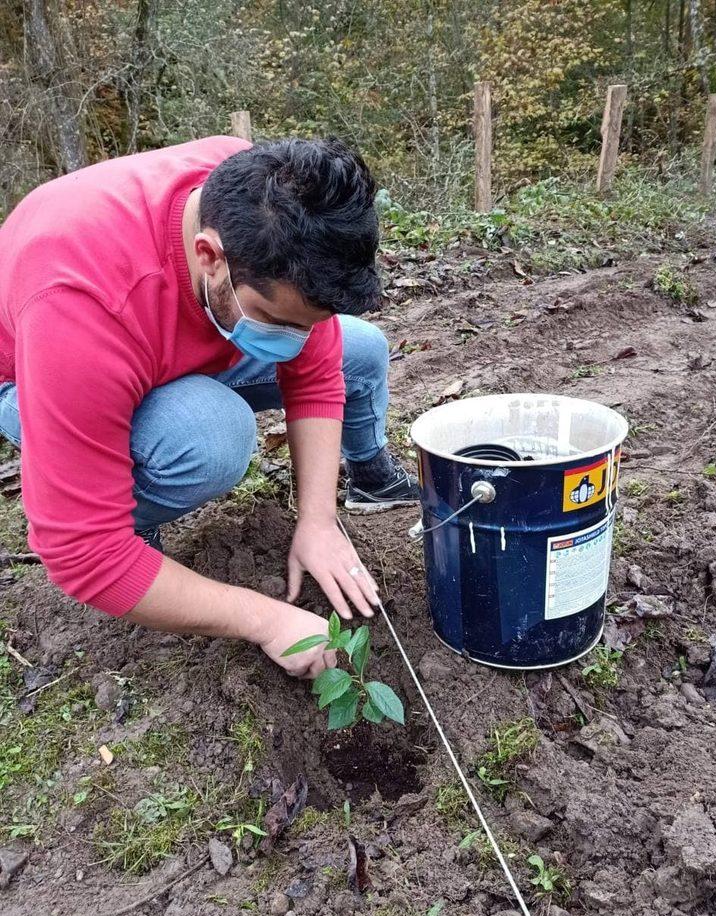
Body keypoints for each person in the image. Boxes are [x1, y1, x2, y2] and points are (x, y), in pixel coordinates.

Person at [0, 136, 418, 679]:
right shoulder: (78, 310)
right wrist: (266, 619)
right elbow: (82, 554)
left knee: (360, 351)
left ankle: (371, 479)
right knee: (211, 436)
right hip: (31, 372)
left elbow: (316, 369)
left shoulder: (265, 196)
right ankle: (136, 526)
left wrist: (318, 520)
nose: (297, 339)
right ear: (209, 256)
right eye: (278, 319)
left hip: (156, 335)